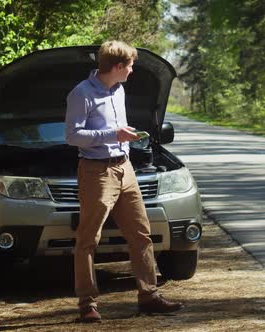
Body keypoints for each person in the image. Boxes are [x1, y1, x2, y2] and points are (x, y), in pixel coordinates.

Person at [65, 41, 184, 323]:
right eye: (130, 66)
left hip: (125, 168)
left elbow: (115, 131)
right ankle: (87, 304)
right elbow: (72, 136)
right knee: (88, 240)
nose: (132, 71)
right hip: (97, 172)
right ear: (117, 67)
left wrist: (127, 135)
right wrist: (112, 134)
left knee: (141, 233)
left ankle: (149, 296)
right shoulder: (81, 94)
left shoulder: (119, 90)